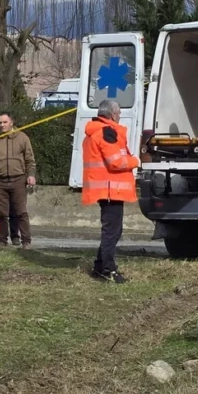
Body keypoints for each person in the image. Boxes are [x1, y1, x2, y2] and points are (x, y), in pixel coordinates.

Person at [81, 100, 138, 283]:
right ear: (113, 114)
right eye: (119, 113)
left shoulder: (93, 132)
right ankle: (108, 270)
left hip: (105, 189)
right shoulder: (107, 132)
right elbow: (116, 161)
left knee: (111, 230)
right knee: (112, 231)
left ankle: (100, 267)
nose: (120, 116)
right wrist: (135, 161)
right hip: (110, 190)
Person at [0, 112, 36, 250]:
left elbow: (30, 159)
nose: (2, 125)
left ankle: (26, 240)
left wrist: (31, 175)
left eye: (5, 122)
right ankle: (2, 239)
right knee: (1, 213)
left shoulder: (22, 138)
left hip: (18, 180)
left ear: (11, 123)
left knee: (21, 212)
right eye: (0, 122)